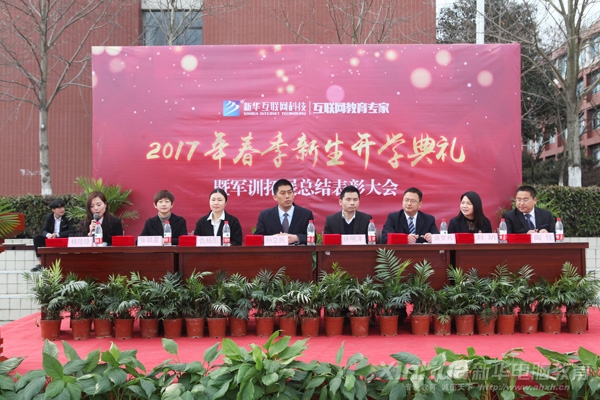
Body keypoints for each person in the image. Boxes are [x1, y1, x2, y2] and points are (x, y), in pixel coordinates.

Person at [254, 179, 314, 245]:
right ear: (275, 197)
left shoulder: (305, 214)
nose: (287, 196)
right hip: (274, 251)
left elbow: (313, 238)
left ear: (293, 195)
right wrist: (273, 239)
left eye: (290, 192)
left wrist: (296, 238)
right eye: (283, 193)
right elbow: (257, 238)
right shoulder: (265, 215)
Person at [31, 199, 76, 272]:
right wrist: (48, 235)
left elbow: (72, 230)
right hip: (52, 239)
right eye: (59, 208)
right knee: (37, 238)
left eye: (63, 207)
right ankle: (42, 263)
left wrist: (57, 234)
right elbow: (43, 230)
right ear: (53, 210)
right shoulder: (49, 217)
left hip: (63, 238)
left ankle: (70, 261)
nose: (62, 209)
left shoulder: (68, 216)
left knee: (71, 235)